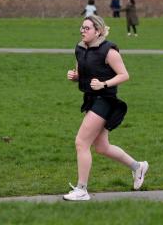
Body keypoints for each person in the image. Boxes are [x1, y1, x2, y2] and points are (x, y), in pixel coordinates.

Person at [63, 15, 147, 201]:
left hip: (105, 100)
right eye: (82, 27)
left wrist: (104, 84)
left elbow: (124, 75)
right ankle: (137, 167)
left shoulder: (109, 51)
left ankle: (82, 189)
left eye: (87, 28)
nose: (82, 31)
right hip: (91, 99)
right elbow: (82, 72)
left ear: (98, 31)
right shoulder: (79, 48)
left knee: (81, 142)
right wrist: (75, 76)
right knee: (101, 147)